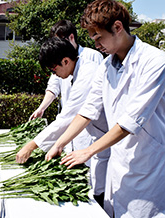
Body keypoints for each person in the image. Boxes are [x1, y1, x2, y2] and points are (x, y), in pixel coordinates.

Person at [46, 0, 165, 217]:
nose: (96, 43)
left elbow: (131, 121)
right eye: (92, 38)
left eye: (98, 37)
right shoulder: (105, 66)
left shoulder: (155, 62)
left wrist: (88, 151)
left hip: (148, 161)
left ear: (118, 28)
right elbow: (88, 110)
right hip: (118, 160)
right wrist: (60, 143)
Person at [16, 36, 109, 206]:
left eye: (53, 70)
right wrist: (56, 144)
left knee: (101, 195)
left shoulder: (88, 73)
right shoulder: (78, 70)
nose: (55, 75)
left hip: (106, 141)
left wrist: (31, 145)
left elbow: (68, 117)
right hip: (97, 137)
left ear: (65, 61)